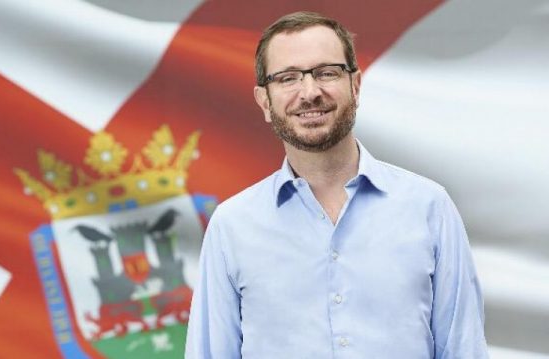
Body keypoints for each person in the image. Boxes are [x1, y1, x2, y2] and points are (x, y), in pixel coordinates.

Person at [184, 11, 489, 359]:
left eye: (327, 73)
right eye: (288, 78)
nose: (310, 92)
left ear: (355, 86)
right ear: (264, 101)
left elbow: (465, 351)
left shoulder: (429, 207)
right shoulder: (232, 225)